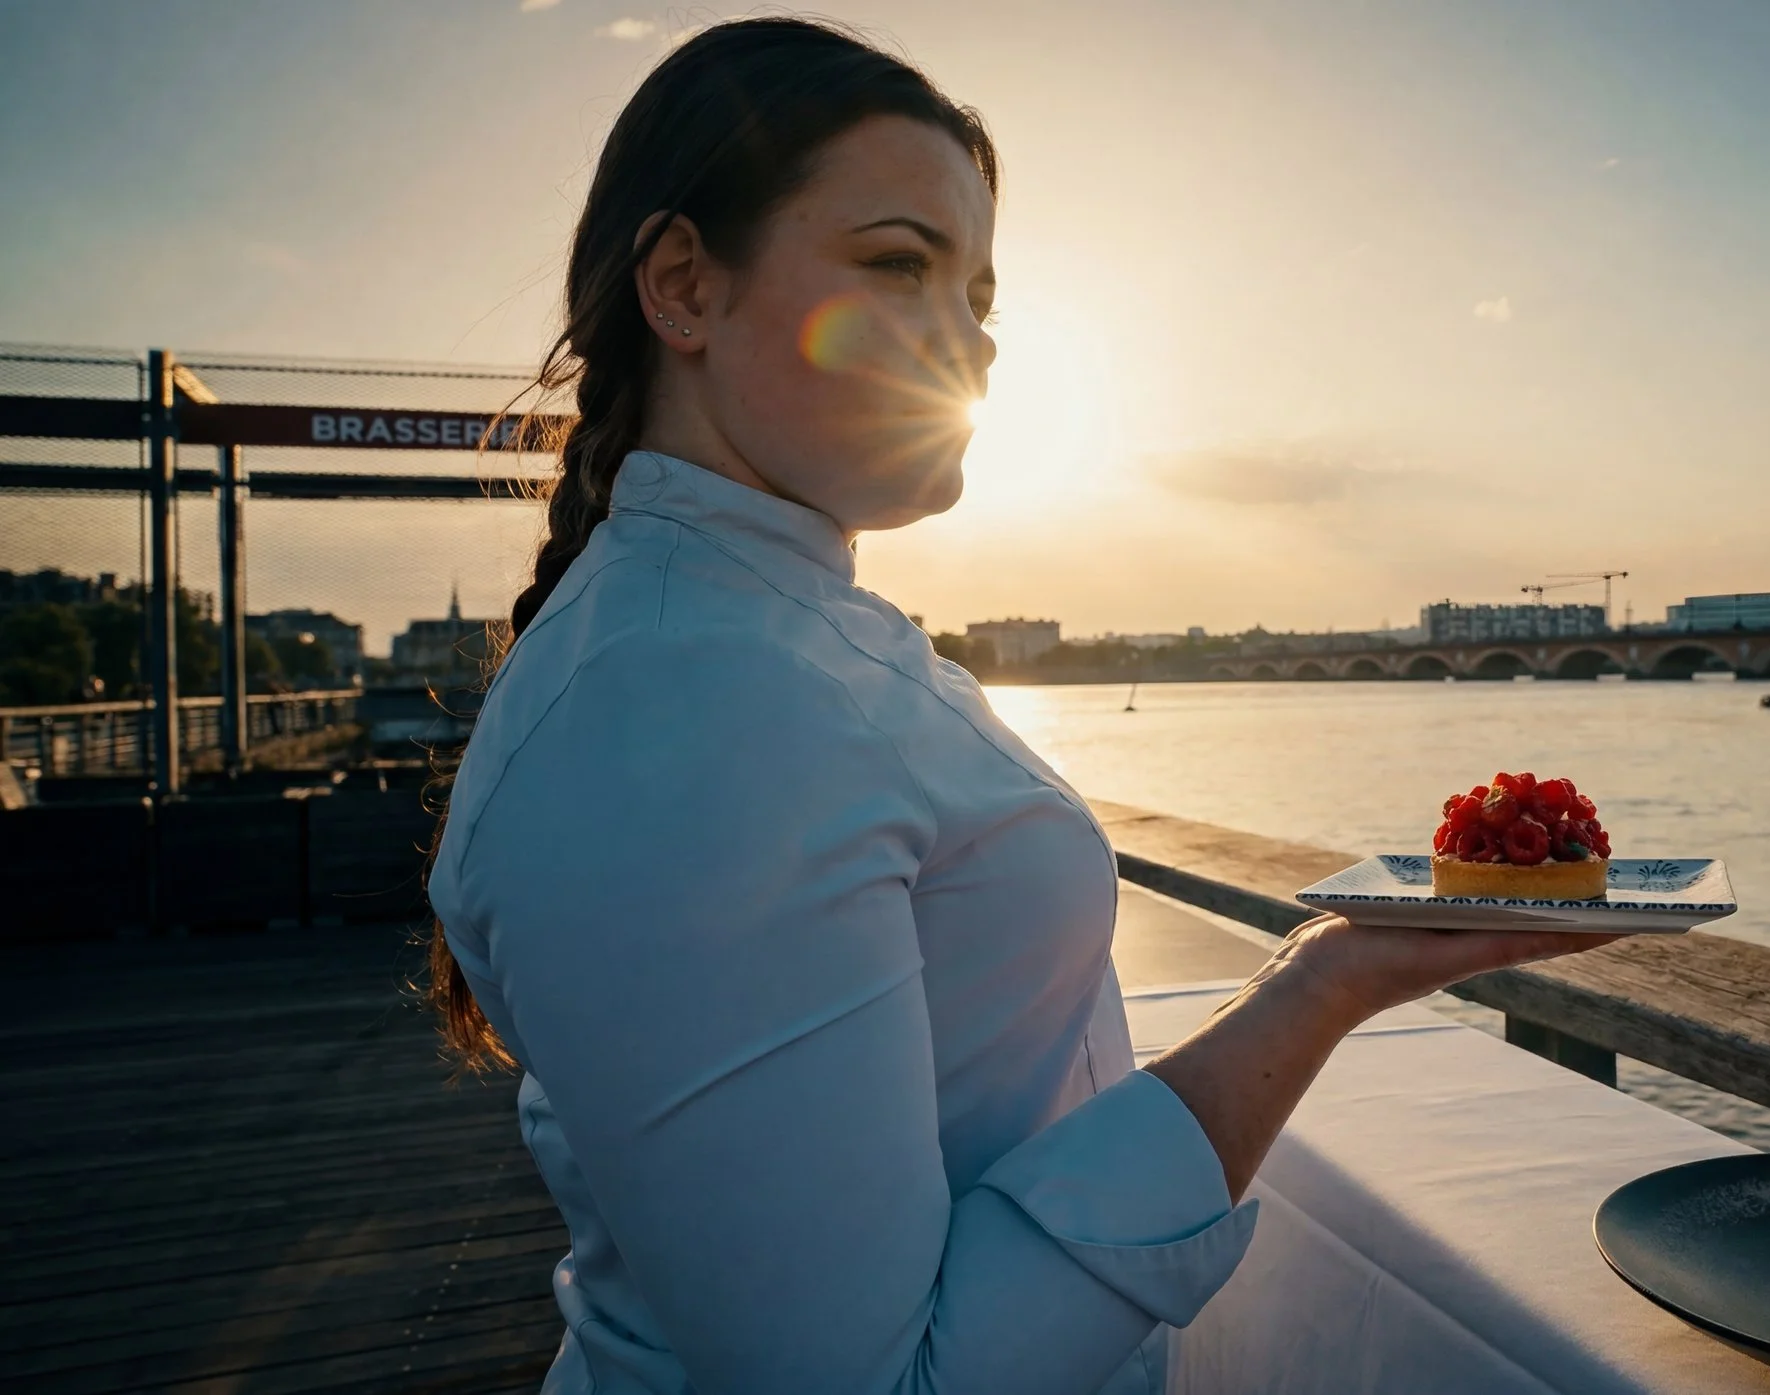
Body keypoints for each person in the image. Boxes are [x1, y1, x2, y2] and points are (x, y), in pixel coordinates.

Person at [428, 18, 1618, 1394]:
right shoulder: (686, 706)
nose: (972, 344)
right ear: (686, 284)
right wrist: (1321, 986)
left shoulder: (762, 639)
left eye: (982, 296)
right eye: (898, 265)